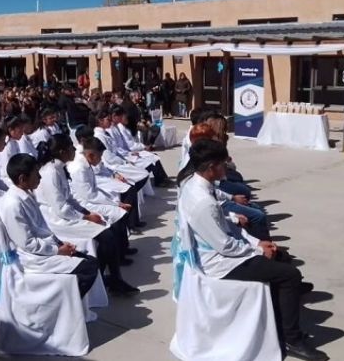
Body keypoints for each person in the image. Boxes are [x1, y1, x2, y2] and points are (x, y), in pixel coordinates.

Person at [177, 139, 327, 361]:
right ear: (211, 168)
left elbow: (224, 225)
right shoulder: (202, 202)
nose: (225, 168)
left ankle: (284, 305)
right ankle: (291, 338)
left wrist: (257, 243)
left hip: (223, 249)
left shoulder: (195, 184)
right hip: (219, 262)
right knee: (290, 275)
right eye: (222, 164)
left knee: (281, 256)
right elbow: (224, 245)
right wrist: (258, 251)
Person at [36, 135, 138, 294]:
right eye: (71, 147)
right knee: (107, 236)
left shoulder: (59, 168)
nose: (75, 149)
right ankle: (109, 280)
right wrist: (86, 217)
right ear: (62, 152)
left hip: (67, 214)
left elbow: (70, 198)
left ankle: (110, 278)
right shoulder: (51, 173)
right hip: (57, 220)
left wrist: (87, 212)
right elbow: (60, 209)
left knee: (107, 231)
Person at [0, 154, 99, 298]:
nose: (40, 177)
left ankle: (70, 303)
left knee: (91, 260)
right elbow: (28, 243)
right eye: (35, 174)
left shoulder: (26, 194)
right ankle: (63, 305)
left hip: (44, 247)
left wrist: (60, 244)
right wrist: (57, 250)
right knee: (88, 269)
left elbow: (41, 229)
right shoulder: (13, 204)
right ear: (22, 179)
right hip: (32, 257)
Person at [109, 105, 170, 187]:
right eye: (121, 117)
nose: (122, 119)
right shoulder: (112, 130)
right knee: (151, 161)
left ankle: (161, 179)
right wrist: (132, 152)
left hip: (128, 153)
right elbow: (119, 148)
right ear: (114, 116)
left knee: (154, 157)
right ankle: (149, 181)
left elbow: (126, 144)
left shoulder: (118, 127)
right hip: (124, 156)